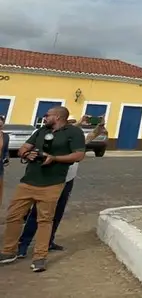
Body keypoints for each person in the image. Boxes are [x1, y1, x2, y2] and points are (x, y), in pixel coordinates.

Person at [0, 106, 86, 272]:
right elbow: (23, 148)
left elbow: (79, 155)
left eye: (47, 115)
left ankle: (40, 257)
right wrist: (26, 154)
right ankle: (9, 251)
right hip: (28, 181)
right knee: (13, 216)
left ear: (58, 117)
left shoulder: (73, 132)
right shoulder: (40, 131)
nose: (44, 117)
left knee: (45, 220)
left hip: (52, 183)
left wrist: (54, 158)